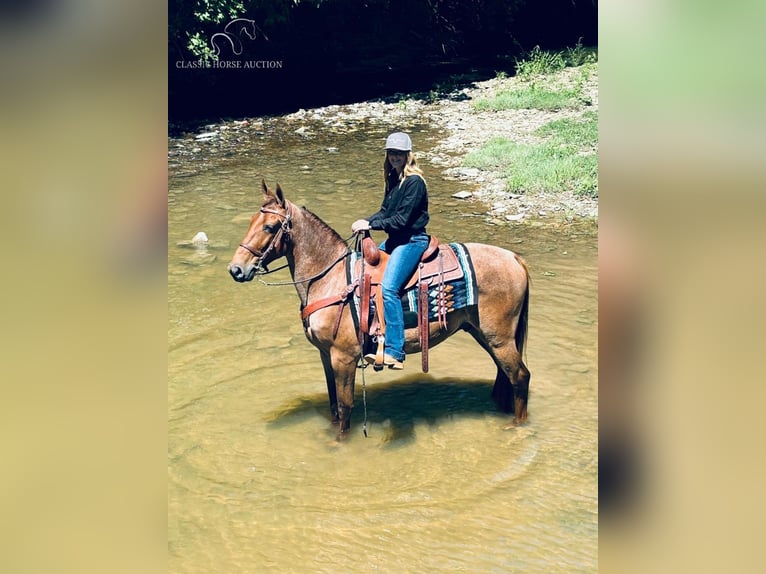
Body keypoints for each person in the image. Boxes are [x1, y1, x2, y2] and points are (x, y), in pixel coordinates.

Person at [351, 132, 430, 370]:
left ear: (408, 155)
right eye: (391, 153)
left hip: (412, 240)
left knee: (389, 288)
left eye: (399, 153)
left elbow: (402, 220)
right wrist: (366, 220)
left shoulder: (414, 182)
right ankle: (370, 335)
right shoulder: (394, 180)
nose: (394, 157)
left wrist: (372, 225)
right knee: (360, 269)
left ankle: (395, 350)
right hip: (396, 240)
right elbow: (385, 212)